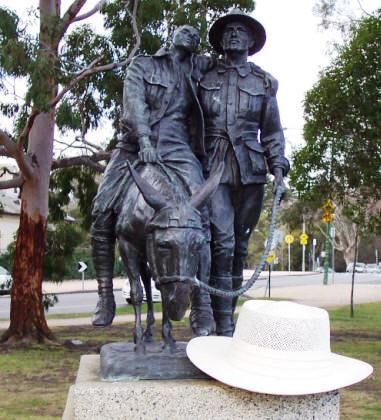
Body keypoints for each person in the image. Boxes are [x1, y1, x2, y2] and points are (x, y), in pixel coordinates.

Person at [91, 25, 215, 335]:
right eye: (184, 30)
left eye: (196, 34)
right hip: (135, 146)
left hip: (177, 148)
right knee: (102, 211)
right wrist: (144, 140)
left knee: (203, 216)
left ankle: (202, 304)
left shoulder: (199, 69)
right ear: (172, 35)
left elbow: (231, 66)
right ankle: (105, 293)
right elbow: (133, 104)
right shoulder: (144, 64)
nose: (191, 34)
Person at [198, 10, 290, 336]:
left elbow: (273, 132)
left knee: (238, 246)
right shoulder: (203, 78)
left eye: (241, 31)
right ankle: (215, 319)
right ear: (221, 41)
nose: (234, 34)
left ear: (252, 41)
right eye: (228, 31)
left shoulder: (263, 83)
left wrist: (278, 169)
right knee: (219, 242)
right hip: (213, 169)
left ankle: (227, 314)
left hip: (250, 171)